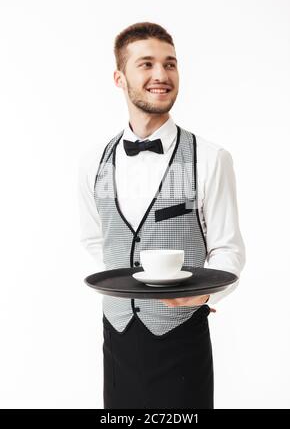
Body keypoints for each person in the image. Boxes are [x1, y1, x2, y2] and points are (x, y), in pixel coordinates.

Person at [78, 22, 246, 409]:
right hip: (117, 334)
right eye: (147, 64)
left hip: (181, 336)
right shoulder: (92, 162)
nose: (161, 75)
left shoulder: (210, 157)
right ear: (119, 78)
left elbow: (228, 248)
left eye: (170, 64)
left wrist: (204, 293)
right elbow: (93, 239)